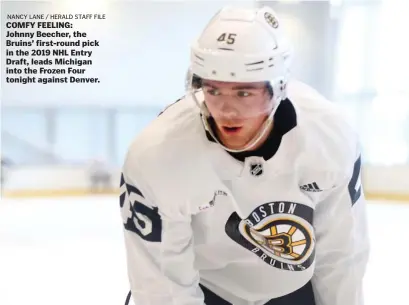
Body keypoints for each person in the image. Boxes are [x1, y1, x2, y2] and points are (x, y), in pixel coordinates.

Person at [120, 5, 370, 305]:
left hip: (292, 292)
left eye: (244, 93)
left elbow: (341, 256)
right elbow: (163, 284)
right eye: (214, 91)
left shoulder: (329, 137)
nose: (226, 110)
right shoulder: (158, 155)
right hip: (207, 289)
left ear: (277, 89)